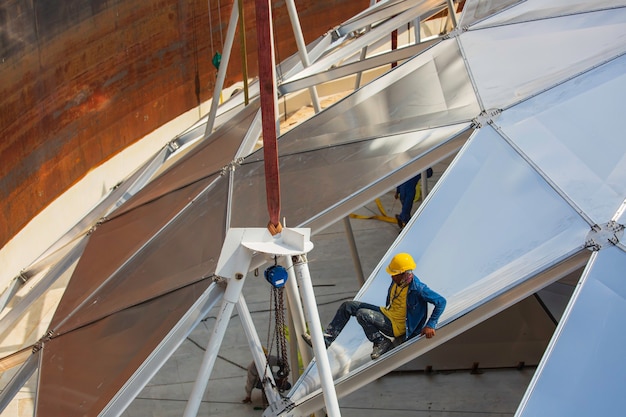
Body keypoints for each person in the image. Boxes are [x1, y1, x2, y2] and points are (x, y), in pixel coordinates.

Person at [303, 253, 446, 360]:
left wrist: (431, 324)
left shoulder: (418, 289)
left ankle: (381, 342)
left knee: (363, 314)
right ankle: (325, 341)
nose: (391, 277)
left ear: (404, 274)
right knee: (348, 306)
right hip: (388, 314)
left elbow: (441, 301)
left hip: (397, 326)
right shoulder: (398, 282)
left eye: (394, 274)